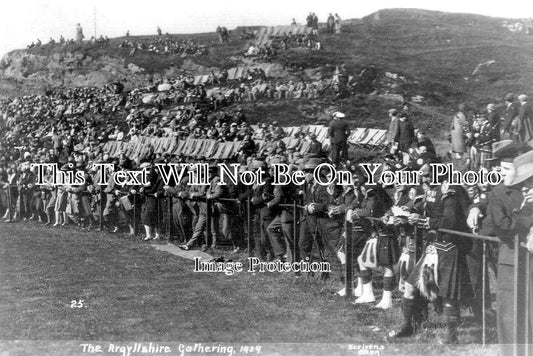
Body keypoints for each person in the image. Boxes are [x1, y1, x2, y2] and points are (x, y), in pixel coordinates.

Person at [481, 149, 533, 349]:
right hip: (511, 259)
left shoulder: (527, 192)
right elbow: (501, 225)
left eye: (508, 168)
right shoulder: (499, 192)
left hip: (527, 258)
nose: (505, 173)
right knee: (510, 312)